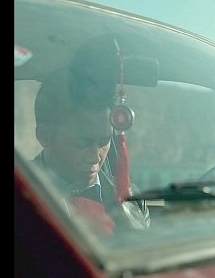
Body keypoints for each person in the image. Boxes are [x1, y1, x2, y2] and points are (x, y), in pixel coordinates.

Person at [33, 35, 150, 236]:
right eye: (83, 143)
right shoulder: (23, 196)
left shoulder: (130, 197)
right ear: (45, 136)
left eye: (104, 141)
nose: (96, 156)